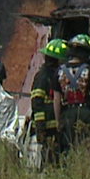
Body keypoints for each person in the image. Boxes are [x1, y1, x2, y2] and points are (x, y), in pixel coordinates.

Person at [52, 33, 90, 155]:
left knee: (68, 149)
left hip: (67, 115)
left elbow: (56, 100)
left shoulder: (59, 72)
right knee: (87, 148)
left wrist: (58, 121)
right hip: (86, 113)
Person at [31, 38, 66, 167]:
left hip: (56, 130)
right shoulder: (42, 76)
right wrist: (40, 128)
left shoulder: (56, 76)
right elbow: (37, 103)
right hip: (47, 129)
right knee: (49, 163)